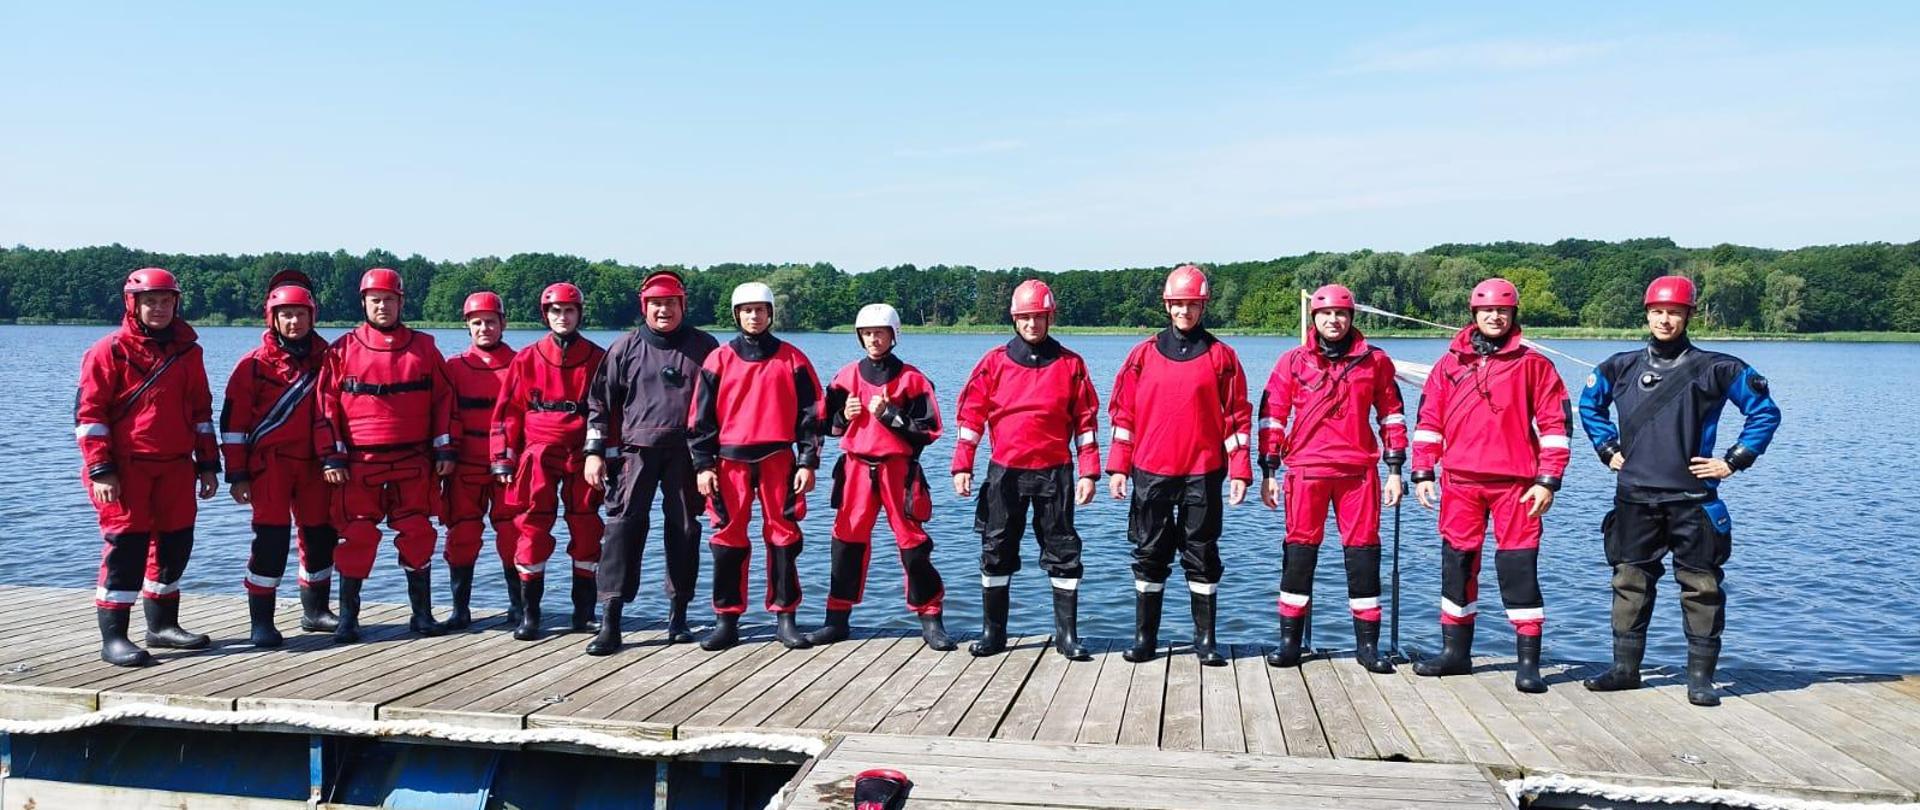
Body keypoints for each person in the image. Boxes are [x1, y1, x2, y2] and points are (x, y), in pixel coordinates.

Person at [1578, 276, 1782, 707]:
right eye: (1657, 311)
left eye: (1674, 312)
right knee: (1629, 583)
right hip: (1634, 497)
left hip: (1693, 500)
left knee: (1702, 587)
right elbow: (1589, 406)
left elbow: (1764, 411)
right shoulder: (1619, 366)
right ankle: (1625, 670)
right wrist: (1606, 447)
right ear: (1647, 314)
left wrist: (1734, 460)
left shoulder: (1719, 367)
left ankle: (1700, 679)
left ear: (1689, 315)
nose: (1665, 319)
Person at [1409, 277, 1571, 693]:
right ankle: (1455, 654)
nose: (1494, 317)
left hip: (1517, 485)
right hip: (1460, 482)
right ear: (1474, 315)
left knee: (1517, 568)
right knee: (1458, 567)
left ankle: (1528, 664)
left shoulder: (1534, 365)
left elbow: (1555, 427)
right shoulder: (1450, 364)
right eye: (1486, 311)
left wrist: (1548, 480)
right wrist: (1423, 470)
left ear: (1513, 314)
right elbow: (1429, 421)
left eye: (1502, 310)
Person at [1107, 264, 1253, 667]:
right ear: (1167, 306)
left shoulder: (1223, 357)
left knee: (1202, 554)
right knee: (1149, 553)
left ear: (1202, 306)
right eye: (1178, 304)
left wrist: (1240, 469)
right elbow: (1123, 416)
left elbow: (1237, 418)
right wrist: (1118, 467)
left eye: (1192, 304)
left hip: (1203, 471)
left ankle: (1205, 641)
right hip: (1150, 470)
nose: (1184, 311)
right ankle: (1145, 639)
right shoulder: (1141, 355)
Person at [1257, 283, 1407, 673]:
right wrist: (1269, 471)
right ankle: (1289, 643)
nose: (1333, 320)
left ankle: (1367, 647)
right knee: (1299, 557)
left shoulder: (1375, 361)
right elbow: (1273, 417)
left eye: (1341, 314)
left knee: (1363, 557)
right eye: (1325, 314)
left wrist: (1395, 471)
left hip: (1358, 474)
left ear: (1351, 318)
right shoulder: (1292, 362)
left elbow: (1391, 415)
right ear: (1314, 318)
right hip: (1305, 471)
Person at [74, 268, 220, 666]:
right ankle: (115, 638)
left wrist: (209, 464)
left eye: (166, 301)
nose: (158, 308)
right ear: (132, 304)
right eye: (150, 301)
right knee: (127, 548)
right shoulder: (109, 350)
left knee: (175, 545)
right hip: (126, 466)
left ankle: (161, 625)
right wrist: (101, 469)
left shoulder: (190, 351)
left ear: (176, 304)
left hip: (176, 466)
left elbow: (201, 413)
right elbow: (90, 416)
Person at [951, 279, 1102, 661]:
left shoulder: (1071, 364)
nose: (1032, 324)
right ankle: (993, 633)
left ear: (1050, 317)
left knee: (1064, 549)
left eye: (1039, 317)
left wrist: (1089, 472)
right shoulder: (993, 363)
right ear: (1015, 319)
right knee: (996, 546)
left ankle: (1067, 637)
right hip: (1006, 472)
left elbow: (1085, 422)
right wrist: (962, 465)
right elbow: (971, 417)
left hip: (1056, 471)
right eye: (1025, 317)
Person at [314, 267, 457, 643]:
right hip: (361, 463)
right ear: (363, 303)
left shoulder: (425, 347)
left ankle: (422, 615)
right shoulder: (342, 349)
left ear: (400, 303)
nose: (382, 306)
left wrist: (444, 448)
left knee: (418, 532)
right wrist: (332, 456)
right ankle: (348, 619)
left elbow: (443, 401)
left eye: (389, 300)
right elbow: (325, 406)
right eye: (375, 300)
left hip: (413, 461)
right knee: (357, 535)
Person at [584, 271, 719, 655]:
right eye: (657, 304)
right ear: (645, 307)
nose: (664, 310)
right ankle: (611, 621)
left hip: (687, 453)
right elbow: (598, 404)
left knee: (684, 529)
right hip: (635, 452)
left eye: (671, 303)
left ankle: (678, 618)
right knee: (622, 531)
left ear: (682, 306)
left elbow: (721, 404)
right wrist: (594, 453)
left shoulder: (704, 347)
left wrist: (711, 459)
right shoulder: (624, 348)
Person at [689, 281, 825, 651]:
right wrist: (703, 465)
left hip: (778, 459)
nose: (754, 316)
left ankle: (785, 617)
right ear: (737, 315)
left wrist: (808, 461)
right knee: (727, 538)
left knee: (783, 537)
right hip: (728, 461)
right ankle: (727, 618)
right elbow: (700, 419)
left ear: (769, 314)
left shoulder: (793, 359)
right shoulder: (718, 360)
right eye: (746, 310)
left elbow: (812, 415)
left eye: (760, 310)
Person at [809, 303, 953, 650]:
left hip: (897, 470)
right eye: (868, 333)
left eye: (880, 333)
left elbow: (930, 430)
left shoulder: (912, 379)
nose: (874, 339)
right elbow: (823, 423)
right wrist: (844, 415)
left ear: (894, 336)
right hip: (856, 467)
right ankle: (836, 619)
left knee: (913, 543)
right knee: (846, 541)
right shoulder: (845, 377)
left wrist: (891, 415)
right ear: (860, 337)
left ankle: (931, 617)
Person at [222, 271, 339, 647]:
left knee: (320, 537)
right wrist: (237, 474)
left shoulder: (330, 359)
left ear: (312, 316)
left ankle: (316, 611)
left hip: (316, 464)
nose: (294, 322)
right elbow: (233, 426)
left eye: (300, 314)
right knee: (271, 542)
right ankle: (261, 621)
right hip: (270, 465)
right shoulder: (252, 365)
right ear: (272, 318)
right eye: (286, 314)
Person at [492, 282, 607, 641]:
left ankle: (583, 613)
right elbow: (507, 412)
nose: (562, 317)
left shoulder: (596, 357)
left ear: (579, 314)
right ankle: (530, 614)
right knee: (531, 527)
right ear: (546, 315)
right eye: (556, 311)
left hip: (581, 452)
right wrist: (502, 460)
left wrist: (600, 453)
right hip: (538, 451)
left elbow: (606, 412)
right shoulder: (526, 358)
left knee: (587, 527)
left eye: (569, 311)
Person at [440, 291, 518, 630]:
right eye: (477, 323)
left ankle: (520, 606)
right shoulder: (454, 367)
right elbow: (442, 414)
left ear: (503, 323)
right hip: (465, 466)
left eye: (490, 322)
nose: (484, 328)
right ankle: (460, 609)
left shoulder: (521, 362)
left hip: (508, 469)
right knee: (462, 535)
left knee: (514, 535)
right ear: (467, 327)